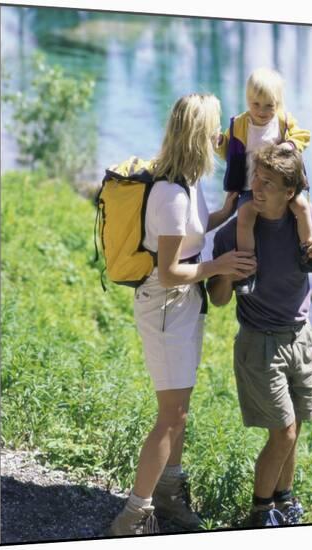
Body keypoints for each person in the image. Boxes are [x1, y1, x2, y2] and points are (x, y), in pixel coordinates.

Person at [107, 93, 256, 537]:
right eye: (214, 128)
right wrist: (220, 266)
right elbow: (171, 272)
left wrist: (223, 213)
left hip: (184, 305)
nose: (220, 137)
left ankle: (168, 496)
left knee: (180, 412)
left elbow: (187, 233)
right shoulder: (170, 192)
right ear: (197, 133)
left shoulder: (188, 181)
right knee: (170, 415)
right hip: (166, 306)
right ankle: (133, 516)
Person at [207, 144, 312, 527]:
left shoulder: (304, 220)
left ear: (289, 192)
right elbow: (218, 299)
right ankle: (260, 513)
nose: (257, 187)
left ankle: (284, 499)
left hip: (301, 338)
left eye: (269, 183)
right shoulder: (234, 232)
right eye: (256, 178)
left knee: (295, 429)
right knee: (284, 432)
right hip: (260, 343)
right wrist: (225, 271)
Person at [216, 67, 312, 295]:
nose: (262, 111)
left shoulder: (283, 121)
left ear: (278, 103)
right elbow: (229, 153)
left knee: (302, 207)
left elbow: (304, 136)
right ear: (248, 100)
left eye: (270, 105)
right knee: (245, 216)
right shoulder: (239, 124)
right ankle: (247, 271)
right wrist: (219, 144)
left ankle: (308, 253)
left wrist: (290, 145)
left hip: (280, 187)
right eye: (256, 104)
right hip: (250, 186)